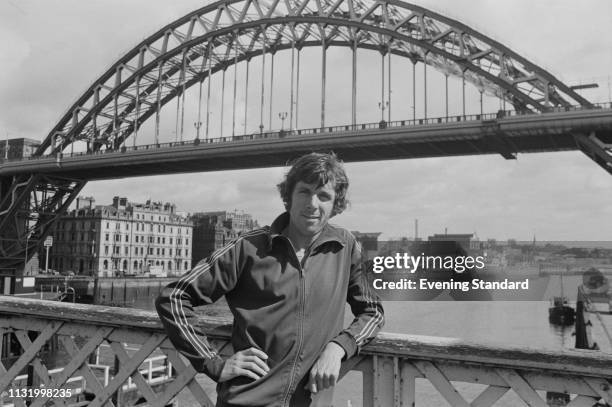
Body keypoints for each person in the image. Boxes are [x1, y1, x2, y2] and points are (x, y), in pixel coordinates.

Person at [155, 152, 384, 407]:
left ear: (335, 204)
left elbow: (373, 312)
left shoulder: (346, 247)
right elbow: (173, 297)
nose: (312, 204)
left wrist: (340, 346)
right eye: (304, 192)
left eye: (324, 196)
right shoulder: (248, 247)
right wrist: (213, 362)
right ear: (288, 196)